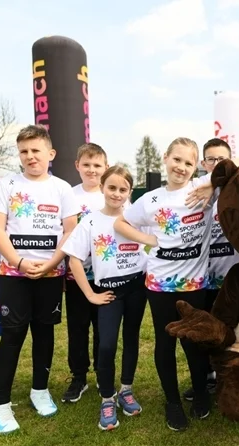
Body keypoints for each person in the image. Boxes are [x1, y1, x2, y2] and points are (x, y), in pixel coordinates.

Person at [0, 125, 81, 434]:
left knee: (44, 333)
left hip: (51, 274)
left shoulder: (63, 188)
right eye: (24, 151)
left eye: (36, 151)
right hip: (15, 274)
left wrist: (53, 262)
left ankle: (39, 390)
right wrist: (20, 262)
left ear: (50, 154)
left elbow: (70, 231)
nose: (30, 157)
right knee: (12, 336)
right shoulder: (8, 184)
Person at [115, 137, 214, 431]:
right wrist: (147, 240)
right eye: (177, 160)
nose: (181, 167)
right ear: (165, 158)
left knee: (194, 344)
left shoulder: (205, 190)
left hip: (195, 285)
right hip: (159, 286)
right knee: (166, 342)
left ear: (196, 166)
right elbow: (121, 223)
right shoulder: (151, 200)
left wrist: (210, 183)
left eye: (188, 162)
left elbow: (237, 170)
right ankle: (172, 402)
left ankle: (199, 394)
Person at [62, 165, 158, 431]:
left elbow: (161, 235)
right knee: (106, 346)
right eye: (112, 187)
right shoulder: (91, 221)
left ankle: (126, 389)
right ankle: (107, 397)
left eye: (123, 189)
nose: (117, 194)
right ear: (103, 187)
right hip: (108, 292)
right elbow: (74, 259)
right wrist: (90, 294)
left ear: (129, 191)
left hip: (137, 289)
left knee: (131, 339)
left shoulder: (136, 218)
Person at [182, 138, 239, 402]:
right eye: (211, 159)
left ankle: (235, 378)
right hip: (204, 278)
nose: (216, 164)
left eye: (222, 159)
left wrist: (215, 180)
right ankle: (207, 377)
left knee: (236, 331)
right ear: (202, 163)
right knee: (205, 331)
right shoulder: (194, 187)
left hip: (236, 278)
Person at [63, 143, 108, 403]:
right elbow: (64, 235)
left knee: (104, 329)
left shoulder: (112, 193)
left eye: (97, 165)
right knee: (78, 329)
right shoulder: (68, 196)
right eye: (87, 165)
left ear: (105, 166)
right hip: (77, 276)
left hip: (107, 276)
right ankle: (79, 377)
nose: (92, 170)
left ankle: (104, 374)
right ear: (77, 166)